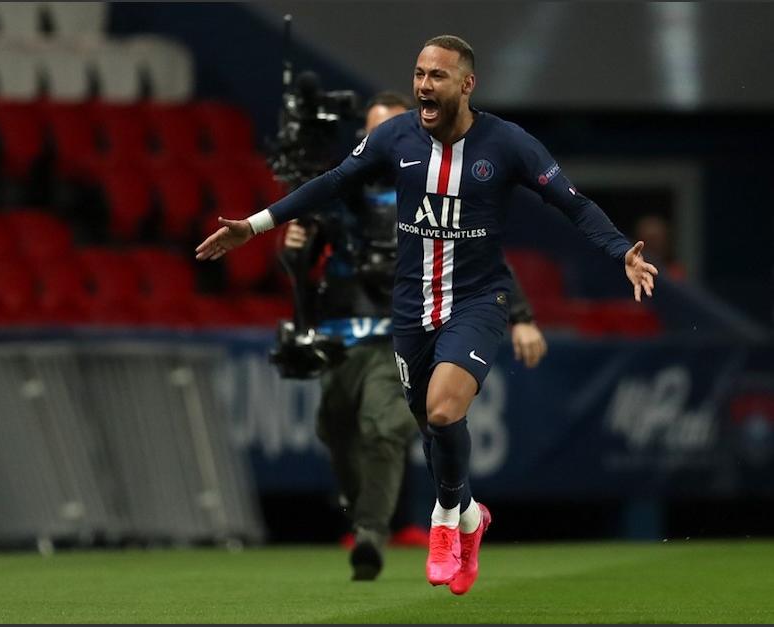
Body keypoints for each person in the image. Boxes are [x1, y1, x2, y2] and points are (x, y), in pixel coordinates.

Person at [197, 35, 658, 595]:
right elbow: (332, 183)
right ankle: (470, 516)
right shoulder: (394, 137)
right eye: (418, 74)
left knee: (442, 413)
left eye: (436, 76)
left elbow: (573, 204)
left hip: (477, 302)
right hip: (412, 307)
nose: (423, 86)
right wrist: (254, 225)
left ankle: (443, 520)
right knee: (432, 431)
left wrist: (621, 252)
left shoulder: (508, 145)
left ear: (466, 84)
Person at [281, 90, 548, 582]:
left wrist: (522, 315)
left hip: (410, 325)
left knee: (394, 427)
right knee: (338, 426)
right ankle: (460, 514)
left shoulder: (432, 181)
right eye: (370, 130)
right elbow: (304, 258)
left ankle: (377, 529)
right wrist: (293, 247)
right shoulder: (347, 193)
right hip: (344, 330)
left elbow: (483, 257)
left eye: (387, 127)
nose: (378, 139)